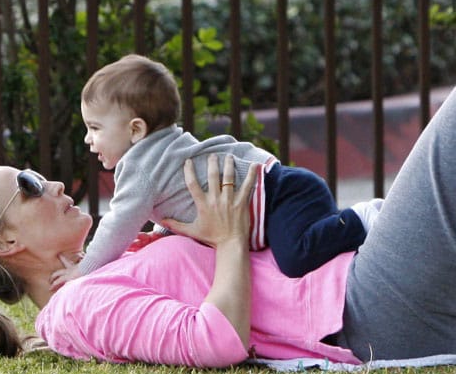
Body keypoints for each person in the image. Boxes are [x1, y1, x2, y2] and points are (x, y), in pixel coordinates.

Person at [0, 85, 456, 366]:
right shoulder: (75, 308)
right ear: (3, 241)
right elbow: (213, 342)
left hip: (355, 279)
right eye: (28, 186)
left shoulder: (119, 254)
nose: (55, 185)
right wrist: (226, 236)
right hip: (358, 311)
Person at [53, 54, 381, 285]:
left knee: (295, 259)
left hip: (282, 195)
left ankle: (362, 217)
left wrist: (84, 272)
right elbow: (180, 200)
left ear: (136, 130)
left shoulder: (140, 167)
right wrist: (162, 232)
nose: (87, 138)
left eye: (95, 128)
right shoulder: (163, 153)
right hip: (282, 190)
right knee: (300, 256)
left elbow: (117, 225)